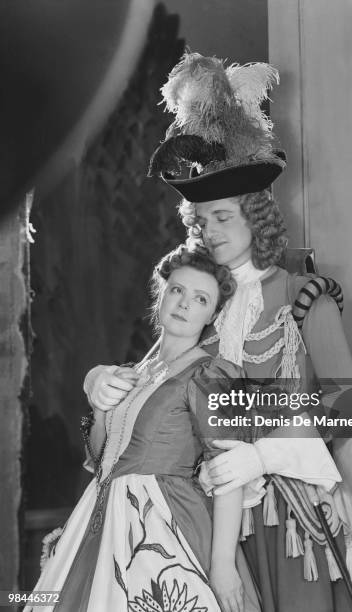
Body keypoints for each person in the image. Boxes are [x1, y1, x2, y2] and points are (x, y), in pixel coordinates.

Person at [84, 53, 352, 611]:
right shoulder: (197, 306)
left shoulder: (302, 298)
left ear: (255, 216)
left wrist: (265, 457)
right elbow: (149, 394)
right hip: (205, 516)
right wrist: (97, 383)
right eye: (201, 220)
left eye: (224, 217)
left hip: (290, 518)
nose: (210, 232)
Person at [26, 245, 262, 612]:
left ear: (212, 314)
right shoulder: (135, 372)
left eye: (200, 299)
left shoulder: (211, 375)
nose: (184, 303)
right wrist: (101, 408)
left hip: (166, 520)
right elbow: (101, 459)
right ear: (162, 294)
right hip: (100, 514)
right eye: (177, 290)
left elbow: (229, 472)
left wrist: (222, 565)